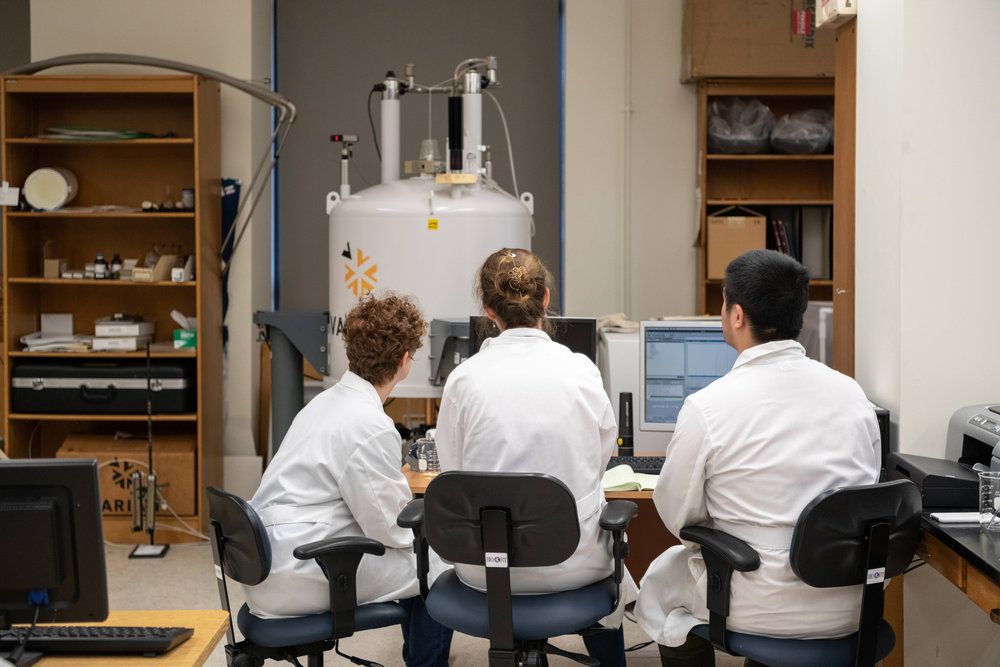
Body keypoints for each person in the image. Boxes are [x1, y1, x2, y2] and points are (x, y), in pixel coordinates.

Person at [635, 249, 881, 666]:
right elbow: (866, 486)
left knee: (663, 593)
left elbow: (677, 513)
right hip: (848, 601)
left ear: (736, 315)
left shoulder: (709, 406)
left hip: (758, 601)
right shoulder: (851, 394)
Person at [435, 248, 637, 667]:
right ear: (546, 299)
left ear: (489, 310)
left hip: (483, 567)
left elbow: (452, 473)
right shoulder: (582, 372)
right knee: (601, 536)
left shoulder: (463, 380)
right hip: (572, 562)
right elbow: (597, 463)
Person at [244, 294, 453, 667]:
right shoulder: (369, 425)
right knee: (436, 559)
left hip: (268, 561)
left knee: (420, 552)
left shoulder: (325, 403)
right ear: (405, 361)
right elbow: (394, 529)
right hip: (305, 569)